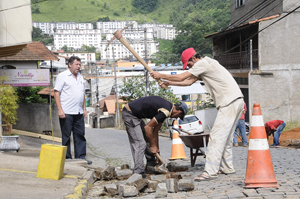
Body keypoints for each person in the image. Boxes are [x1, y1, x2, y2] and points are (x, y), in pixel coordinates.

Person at [150, 48, 244, 181]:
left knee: (216, 137)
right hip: (237, 100)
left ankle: (210, 172)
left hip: (229, 102)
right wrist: (169, 83)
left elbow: (182, 77)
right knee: (226, 138)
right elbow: (188, 82)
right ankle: (227, 167)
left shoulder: (202, 63)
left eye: (188, 65)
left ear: (194, 58)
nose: (189, 68)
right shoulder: (207, 64)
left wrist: (161, 75)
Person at [122, 96, 188, 178]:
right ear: (179, 111)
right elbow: (148, 127)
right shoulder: (166, 111)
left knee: (147, 139)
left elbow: (155, 131)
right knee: (140, 143)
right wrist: (153, 146)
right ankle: (138, 173)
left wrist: (157, 150)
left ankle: (151, 164)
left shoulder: (166, 110)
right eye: (179, 116)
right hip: (130, 114)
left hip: (137, 116)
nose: (177, 118)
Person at [54, 56, 92, 164]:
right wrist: (60, 110)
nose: (78, 67)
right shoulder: (62, 76)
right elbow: (56, 93)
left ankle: (81, 158)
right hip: (66, 112)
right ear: (70, 64)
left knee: (80, 135)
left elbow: (82, 93)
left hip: (78, 111)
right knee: (66, 136)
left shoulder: (80, 77)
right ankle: (67, 159)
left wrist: (84, 108)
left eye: (79, 65)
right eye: (76, 64)